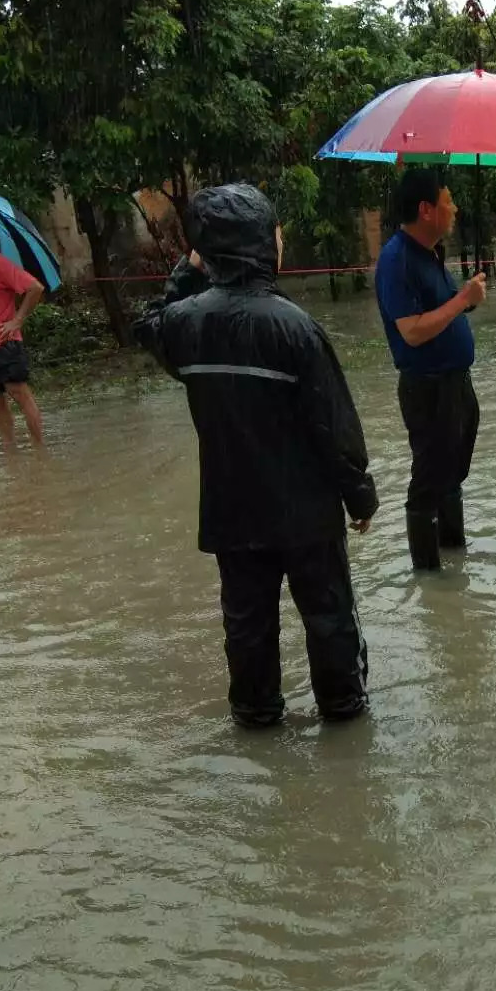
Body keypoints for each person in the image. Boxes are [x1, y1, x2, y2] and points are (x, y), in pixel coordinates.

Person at [133, 183, 378, 729]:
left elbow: (148, 323)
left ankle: (256, 716)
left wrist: (188, 267)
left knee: (247, 624)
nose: (281, 240)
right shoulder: (294, 326)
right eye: (276, 232)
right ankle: (343, 713)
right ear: (264, 245)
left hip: (232, 510)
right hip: (306, 512)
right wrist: (359, 495)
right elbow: (333, 425)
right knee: (329, 617)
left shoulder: (185, 325)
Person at [374, 169, 486, 571]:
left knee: (451, 475)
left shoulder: (431, 253)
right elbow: (413, 332)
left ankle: (455, 562)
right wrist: (461, 301)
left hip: (456, 384)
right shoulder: (395, 260)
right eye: (447, 201)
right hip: (428, 389)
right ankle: (429, 576)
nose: (454, 208)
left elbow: (441, 310)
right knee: (428, 482)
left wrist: (466, 299)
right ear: (426, 210)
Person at [0, 245, 45, 452]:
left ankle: (40, 451)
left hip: (4, 343)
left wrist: (17, 321)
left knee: (19, 393)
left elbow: (35, 288)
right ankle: (10, 455)